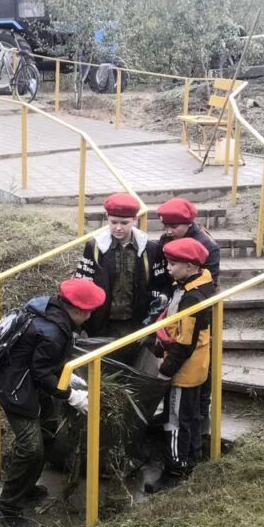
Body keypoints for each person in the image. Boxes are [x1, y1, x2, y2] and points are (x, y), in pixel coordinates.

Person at [0, 278, 106, 527]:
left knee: (49, 433)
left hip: (30, 384)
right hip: (16, 389)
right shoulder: (54, 331)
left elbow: (42, 360)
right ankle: (7, 508)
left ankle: (25, 487)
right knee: (31, 448)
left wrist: (66, 373)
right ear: (79, 310)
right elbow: (41, 373)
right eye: (90, 311)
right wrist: (71, 395)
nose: (91, 315)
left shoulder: (50, 310)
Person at [146, 238, 216, 494]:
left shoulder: (191, 300)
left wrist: (165, 371)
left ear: (189, 266)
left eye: (173, 264)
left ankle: (174, 470)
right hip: (195, 367)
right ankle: (193, 457)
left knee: (174, 420)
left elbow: (184, 344)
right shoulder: (197, 283)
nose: (168, 268)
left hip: (184, 371)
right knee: (190, 416)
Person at [75, 192, 165, 341]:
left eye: (124, 223)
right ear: (107, 218)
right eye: (113, 222)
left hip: (137, 322)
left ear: (135, 220)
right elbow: (84, 282)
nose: (118, 228)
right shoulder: (94, 247)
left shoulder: (150, 249)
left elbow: (160, 284)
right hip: (102, 322)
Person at [155, 198, 220, 292]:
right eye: (165, 226)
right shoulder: (166, 238)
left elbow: (210, 281)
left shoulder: (207, 245)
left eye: (174, 227)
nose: (168, 232)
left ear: (189, 223)